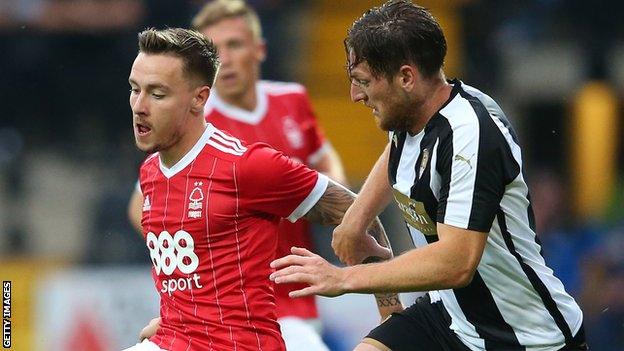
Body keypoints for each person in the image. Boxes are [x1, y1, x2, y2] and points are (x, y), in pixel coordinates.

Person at [270, 1, 588, 350]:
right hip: (448, 317)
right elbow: (396, 149)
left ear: (406, 77)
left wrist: (344, 279)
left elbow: (456, 263)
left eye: (363, 81)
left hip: (523, 337)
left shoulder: (470, 135)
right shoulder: (412, 112)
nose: (355, 95)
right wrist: (357, 218)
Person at [122, 27, 394, 351]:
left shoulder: (246, 165)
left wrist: (391, 314)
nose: (139, 105)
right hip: (175, 341)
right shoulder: (151, 172)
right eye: (134, 89)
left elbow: (355, 212)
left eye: (157, 94)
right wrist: (175, 321)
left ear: (199, 98)